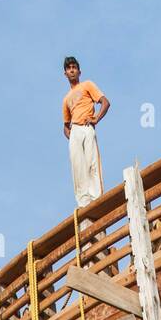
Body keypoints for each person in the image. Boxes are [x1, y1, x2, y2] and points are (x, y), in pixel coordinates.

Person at [62, 57, 110, 217]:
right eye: (69, 68)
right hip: (75, 130)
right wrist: (72, 136)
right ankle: (83, 203)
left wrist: (96, 118)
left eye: (74, 67)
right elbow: (65, 125)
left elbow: (105, 102)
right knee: (78, 166)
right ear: (65, 73)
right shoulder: (66, 99)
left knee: (92, 163)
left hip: (87, 126)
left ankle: (96, 199)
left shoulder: (87, 85)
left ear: (79, 71)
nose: (72, 70)